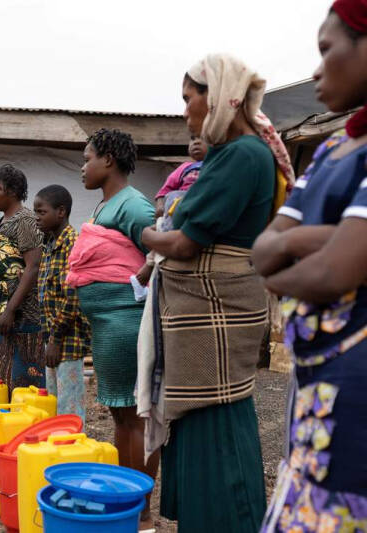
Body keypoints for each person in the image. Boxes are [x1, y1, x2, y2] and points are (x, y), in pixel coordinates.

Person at [141, 54, 294, 532]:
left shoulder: (242, 156)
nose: (186, 112)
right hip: (209, 312)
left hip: (216, 311)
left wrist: (144, 235)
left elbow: (185, 240)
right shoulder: (236, 155)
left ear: (219, 96)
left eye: (189, 99)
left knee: (217, 419)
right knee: (205, 419)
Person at [254, 2, 367, 530]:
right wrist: (333, 236)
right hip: (316, 379)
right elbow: (263, 253)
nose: (317, 70)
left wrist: (300, 249)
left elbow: (333, 274)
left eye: (327, 49)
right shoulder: (336, 148)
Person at [76, 128, 157, 530]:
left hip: (126, 322)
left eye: (87, 157)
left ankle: (140, 512)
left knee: (136, 416)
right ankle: (125, 502)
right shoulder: (106, 206)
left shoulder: (133, 206)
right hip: (108, 324)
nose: (83, 166)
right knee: (120, 415)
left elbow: (160, 254)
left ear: (108, 159)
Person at [0, 164, 45, 390]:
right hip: (4, 315)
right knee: (2, 380)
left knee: (25, 382)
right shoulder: (4, 221)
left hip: (22, 316)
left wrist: (9, 310)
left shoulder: (25, 220)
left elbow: (33, 267)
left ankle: (26, 424)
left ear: (14, 192)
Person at [32, 185, 90, 422]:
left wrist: (55, 339)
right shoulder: (49, 244)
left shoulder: (72, 244)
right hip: (53, 339)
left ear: (61, 212)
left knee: (70, 408)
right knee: (54, 404)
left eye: (41, 212)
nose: (36, 218)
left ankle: (73, 453)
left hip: (68, 339)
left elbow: (73, 297)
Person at [134, 136, 208, 287]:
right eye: (192, 138)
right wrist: (160, 205)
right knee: (165, 235)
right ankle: (150, 264)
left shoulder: (217, 167)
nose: (196, 142)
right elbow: (165, 190)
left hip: (200, 210)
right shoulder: (184, 167)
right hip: (177, 210)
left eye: (203, 138)